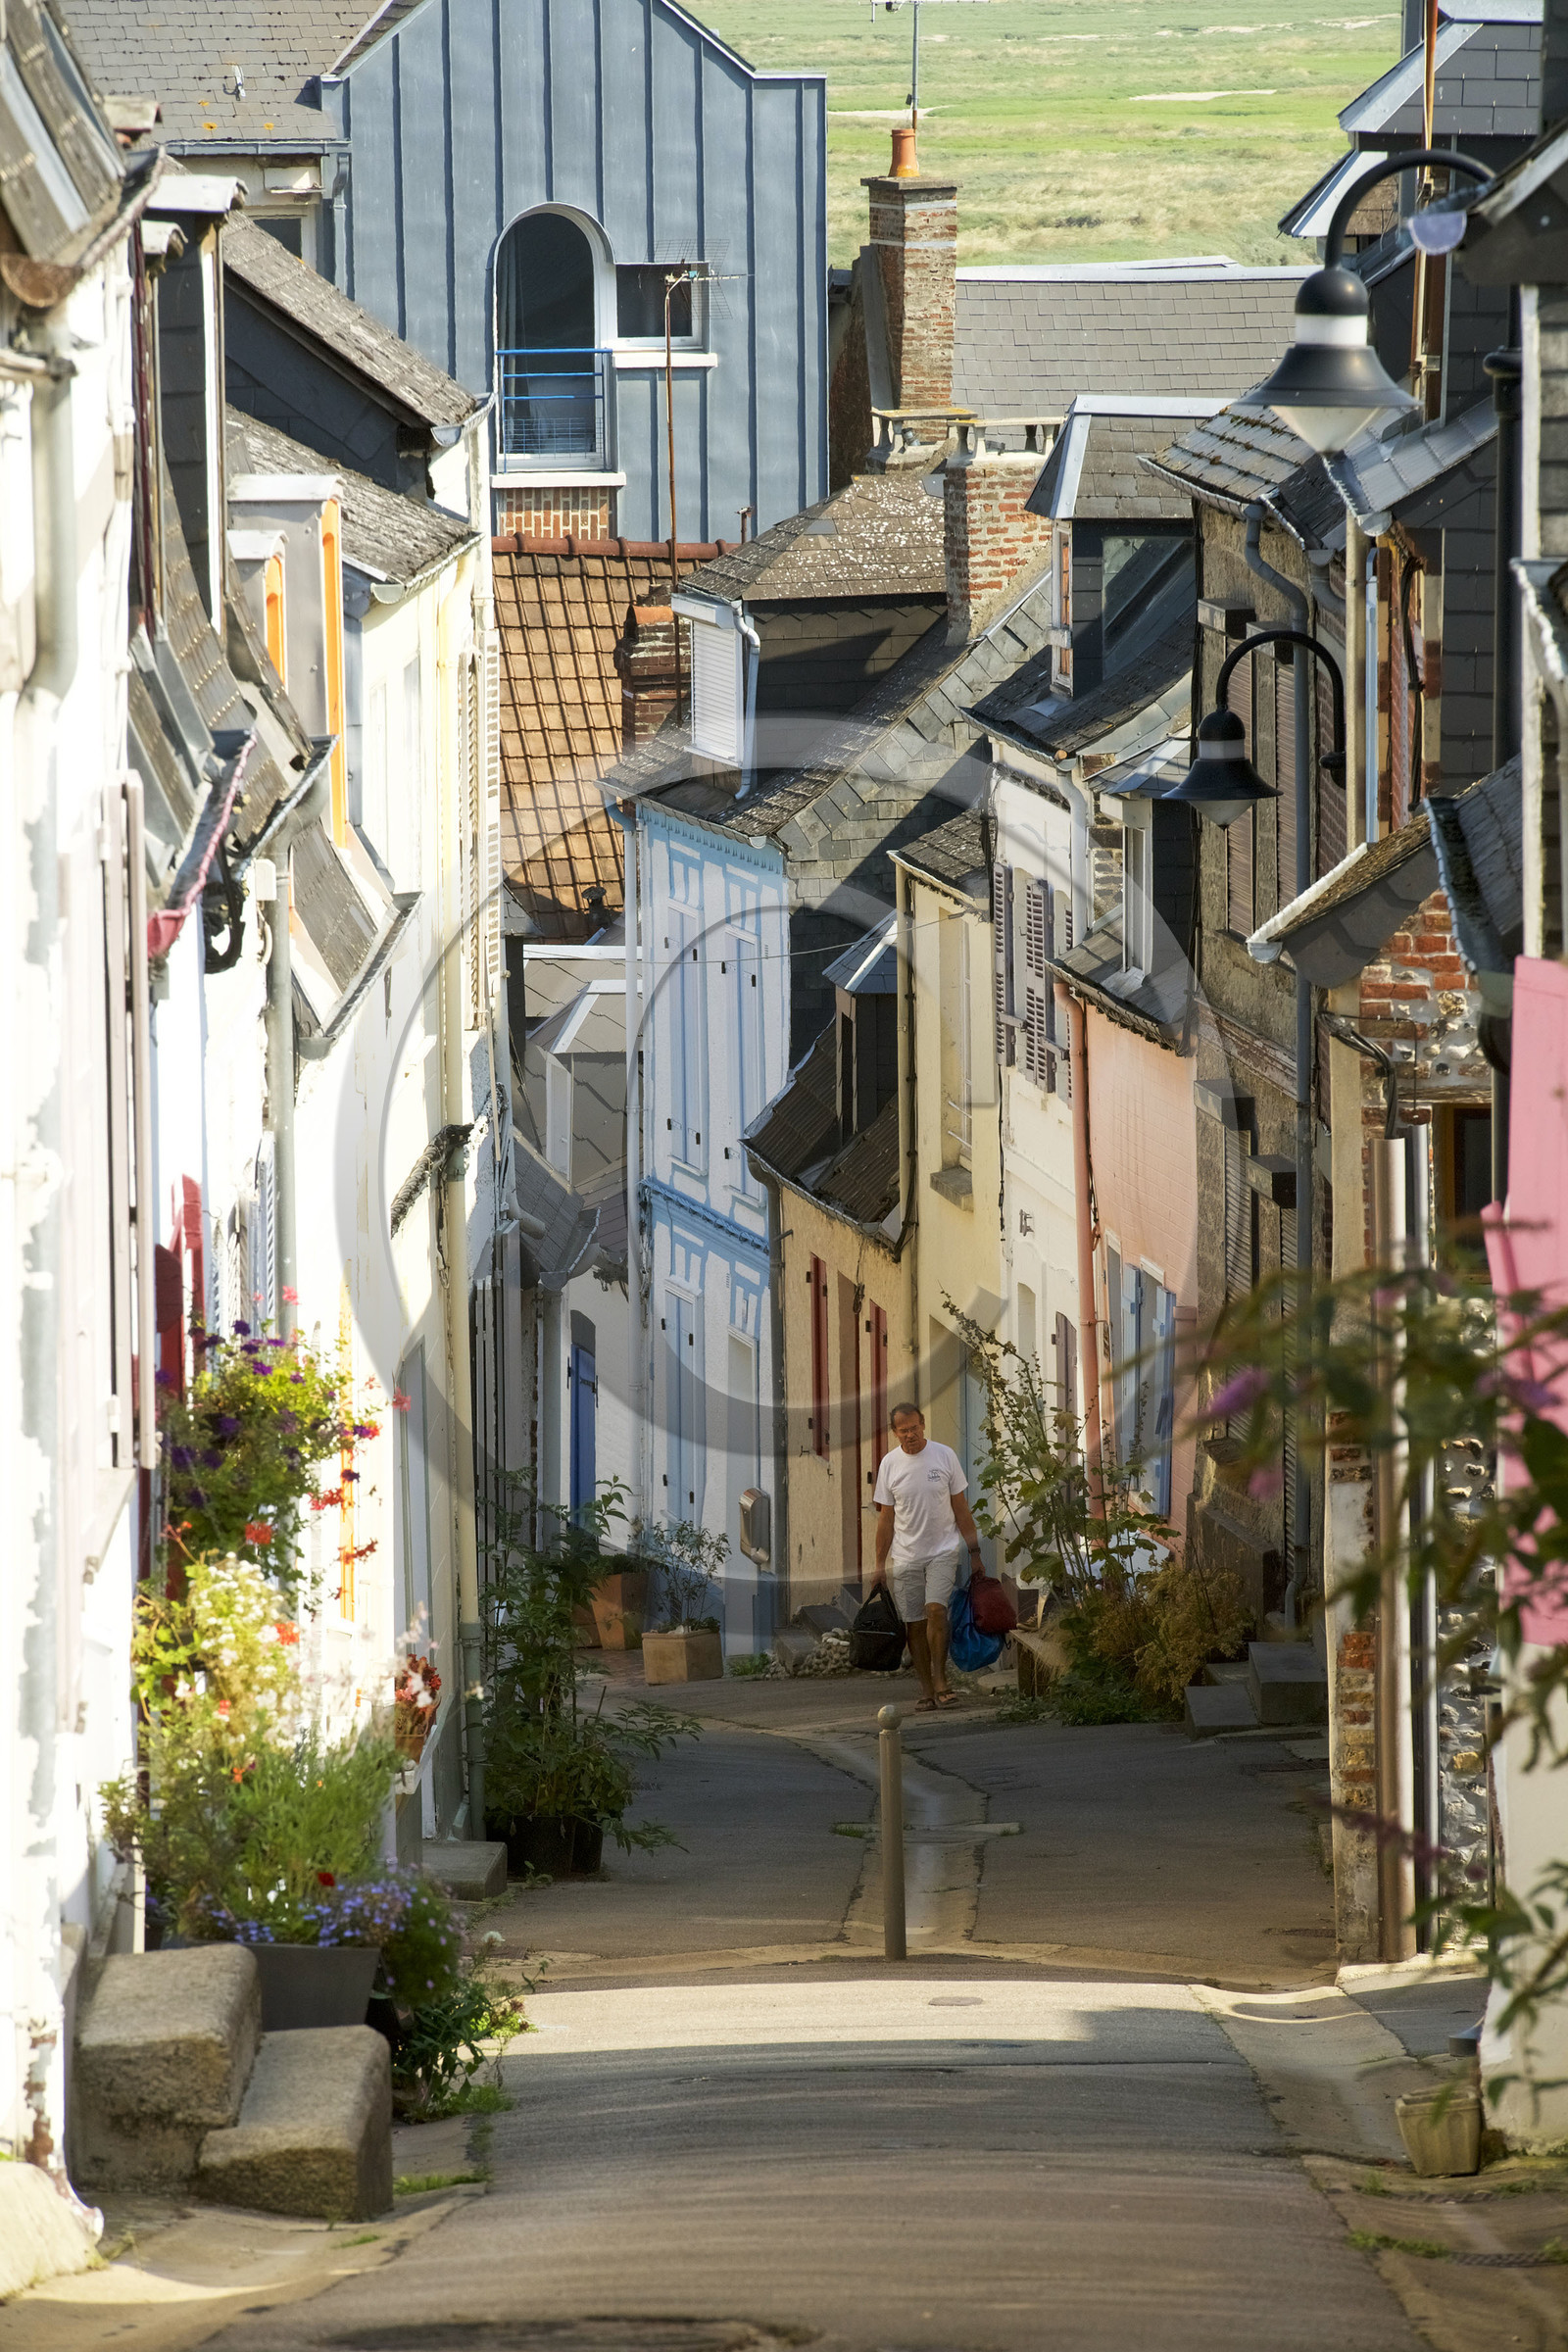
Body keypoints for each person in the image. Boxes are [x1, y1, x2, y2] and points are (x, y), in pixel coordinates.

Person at [870, 1401, 984, 1709]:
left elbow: (961, 1509)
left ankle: (940, 1679)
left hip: (943, 1551)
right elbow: (886, 1520)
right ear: (895, 1433)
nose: (911, 1435)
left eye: (915, 1427)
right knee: (914, 1623)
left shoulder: (944, 1456)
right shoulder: (889, 1465)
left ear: (923, 1424)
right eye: (903, 1430)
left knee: (936, 1610)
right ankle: (925, 1689)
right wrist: (879, 1565)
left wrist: (974, 1553)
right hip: (906, 1555)